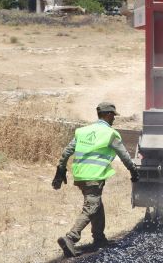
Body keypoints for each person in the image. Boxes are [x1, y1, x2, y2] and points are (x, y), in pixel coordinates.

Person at [52, 102, 138, 257]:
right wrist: (133, 170)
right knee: (91, 206)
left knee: (97, 205)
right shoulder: (110, 134)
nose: (114, 119)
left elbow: (66, 152)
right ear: (108, 114)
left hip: (80, 175)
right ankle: (71, 237)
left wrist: (60, 170)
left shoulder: (83, 131)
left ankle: (99, 238)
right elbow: (124, 155)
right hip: (94, 176)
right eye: (113, 115)